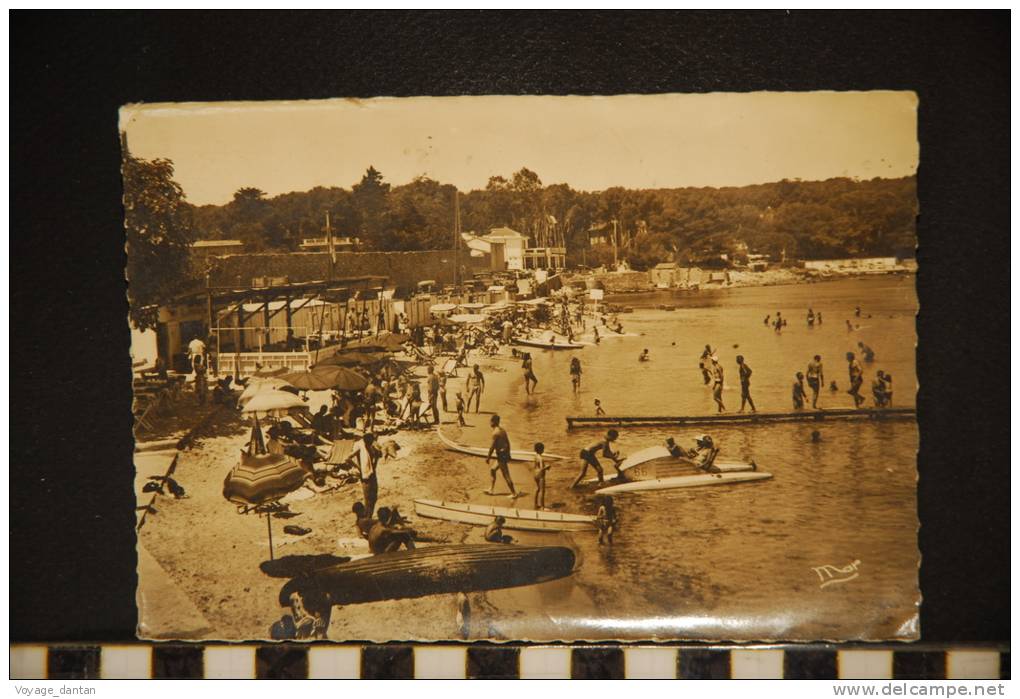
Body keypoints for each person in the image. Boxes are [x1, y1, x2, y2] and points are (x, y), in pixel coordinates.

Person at [485, 415, 518, 498]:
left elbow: (492, 447)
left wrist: (488, 457)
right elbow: (508, 443)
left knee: (506, 475)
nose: (490, 423)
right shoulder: (502, 430)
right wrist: (508, 453)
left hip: (501, 456)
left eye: (491, 421)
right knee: (493, 470)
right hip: (504, 454)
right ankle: (491, 490)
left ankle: (514, 493)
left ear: (494, 422)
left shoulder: (495, 433)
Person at [355, 433, 380, 518]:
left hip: (372, 473)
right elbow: (347, 458)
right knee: (368, 499)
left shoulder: (372, 447)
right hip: (365, 475)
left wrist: (376, 458)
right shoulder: (360, 447)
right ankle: (366, 518)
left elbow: (375, 462)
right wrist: (359, 468)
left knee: (374, 497)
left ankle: (369, 516)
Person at [532, 442, 551, 510]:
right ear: (540, 450)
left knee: (537, 489)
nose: (543, 450)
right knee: (542, 491)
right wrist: (547, 467)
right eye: (543, 449)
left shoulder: (535, 456)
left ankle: (535, 504)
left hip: (535, 474)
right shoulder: (541, 458)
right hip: (540, 475)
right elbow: (542, 468)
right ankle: (542, 507)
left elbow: (535, 467)